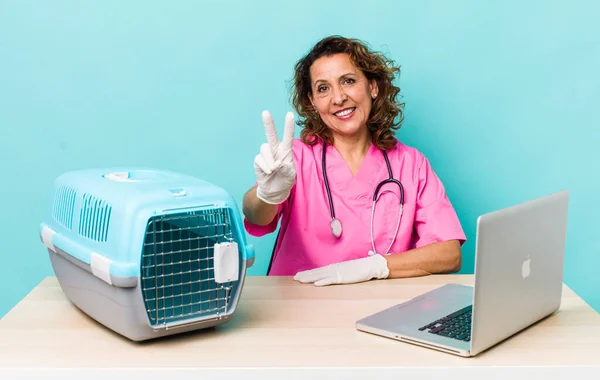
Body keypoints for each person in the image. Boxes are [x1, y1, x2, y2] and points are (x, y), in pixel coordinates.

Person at [242, 35, 466, 286]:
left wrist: (377, 266)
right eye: (323, 88)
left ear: (373, 87)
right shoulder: (294, 159)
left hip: (380, 310)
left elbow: (449, 254)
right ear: (313, 102)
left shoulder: (411, 165)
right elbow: (255, 216)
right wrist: (266, 195)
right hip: (298, 307)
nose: (338, 98)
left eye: (348, 81)